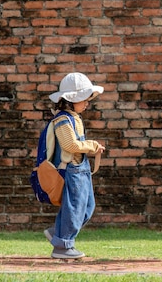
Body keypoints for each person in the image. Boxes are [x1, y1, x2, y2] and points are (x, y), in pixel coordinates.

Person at [44, 72, 106, 259]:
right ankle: (62, 246)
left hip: (81, 168)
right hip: (72, 169)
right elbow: (70, 145)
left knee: (86, 207)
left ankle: (57, 232)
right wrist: (92, 145)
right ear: (71, 100)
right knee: (75, 207)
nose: (87, 102)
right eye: (84, 99)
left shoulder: (74, 117)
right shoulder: (63, 120)